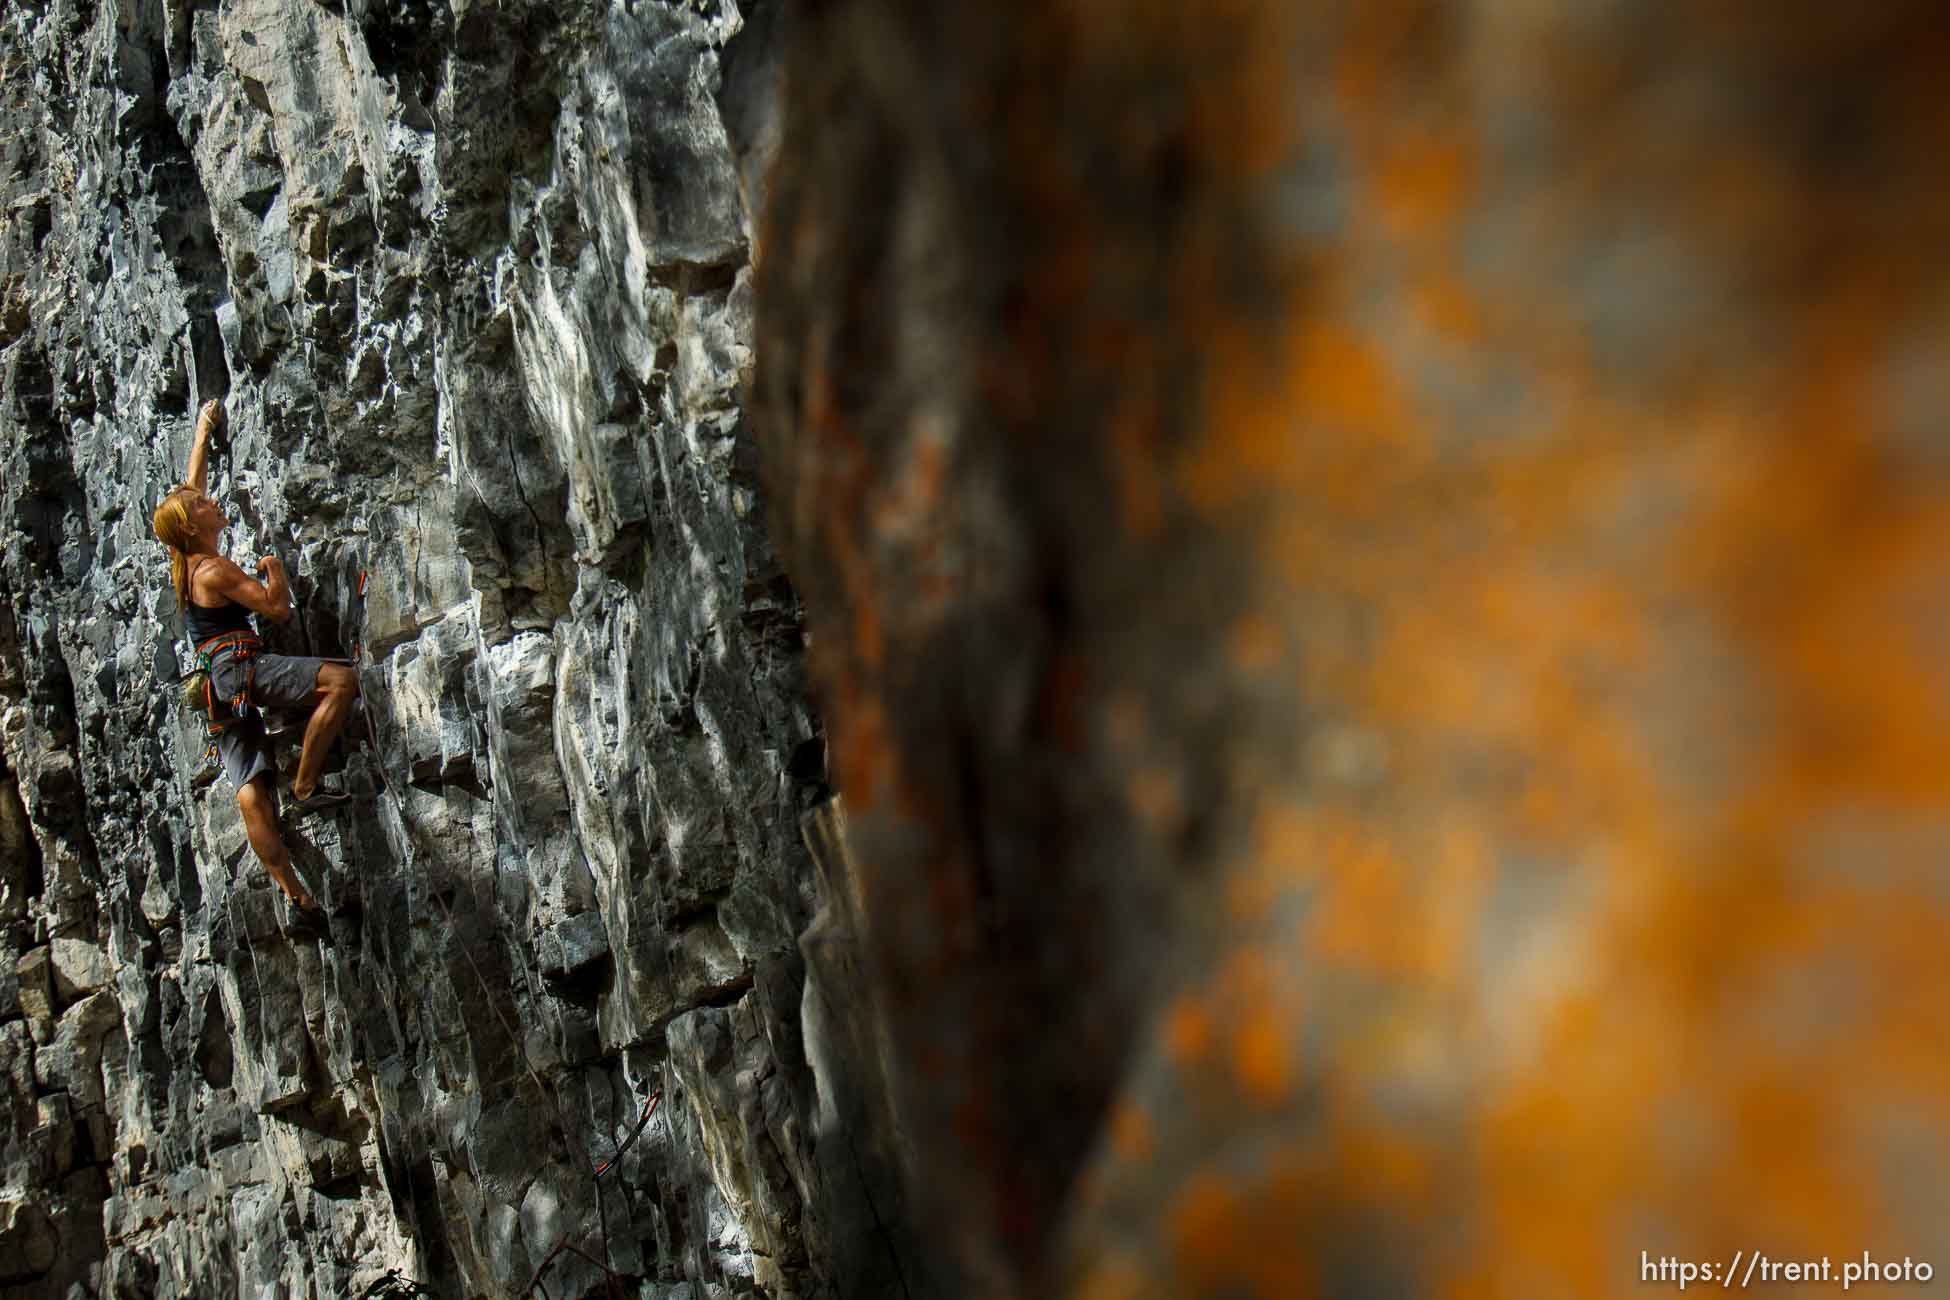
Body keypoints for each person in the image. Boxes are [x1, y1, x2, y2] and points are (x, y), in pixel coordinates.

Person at [152, 398, 360, 922]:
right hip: (243, 669)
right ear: (195, 526)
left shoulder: (183, 555)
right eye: (202, 507)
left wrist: (203, 432)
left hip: (218, 686)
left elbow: (190, 488)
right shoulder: (212, 570)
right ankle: (307, 785)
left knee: (251, 795)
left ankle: (298, 896)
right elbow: (278, 609)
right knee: (341, 683)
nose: (210, 501)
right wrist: (275, 569)